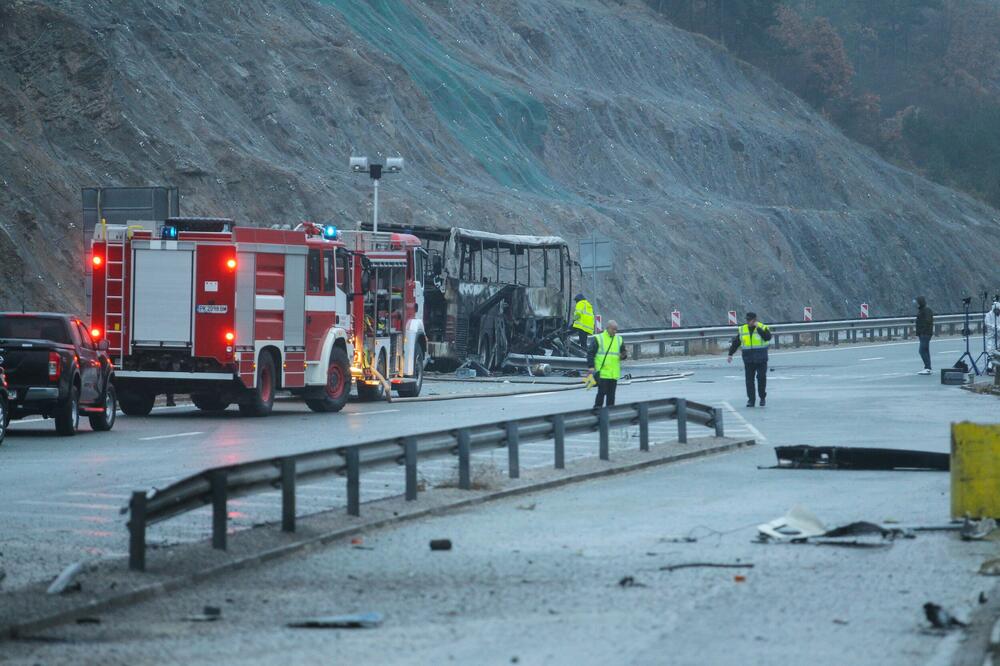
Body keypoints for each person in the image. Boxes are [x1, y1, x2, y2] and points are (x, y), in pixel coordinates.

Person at [727, 312, 772, 407]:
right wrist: (730, 354)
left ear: (755, 320)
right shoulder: (743, 329)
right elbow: (736, 343)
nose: (748, 322)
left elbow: (767, 337)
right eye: (747, 320)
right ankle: (751, 400)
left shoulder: (762, 327)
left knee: (761, 378)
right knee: (749, 380)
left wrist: (758, 328)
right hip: (748, 359)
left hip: (761, 358)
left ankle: (762, 397)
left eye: (750, 320)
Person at [588, 319, 627, 408]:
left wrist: (623, 356)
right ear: (608, 328)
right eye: (613, 329)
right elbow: (590, 353)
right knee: (601, 395)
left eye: (616, 329)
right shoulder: (599, 338)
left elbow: (623, 352)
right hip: (602, 373)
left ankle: (610, 415)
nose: (615, 331)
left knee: (611, 397)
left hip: (613, 374)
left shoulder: (619, 339)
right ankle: (597, 413)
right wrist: (591, 367)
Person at [916, 296, 934, 375]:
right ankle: (928, 367)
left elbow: (928, 321)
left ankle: (927, 367)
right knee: (925, 350)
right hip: (923, 333)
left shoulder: (926, 310)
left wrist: (922, 331)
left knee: (922, 350)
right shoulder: (922, 310)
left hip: (925, 333)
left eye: (917, 302)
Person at [985, 301, 1000, 372]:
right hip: (992, 336)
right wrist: (996, 327)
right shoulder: (988, 315)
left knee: (998, 351)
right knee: (991, 351)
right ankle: (990, 366)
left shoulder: (999, 315)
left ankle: (997, 367)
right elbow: (988, 324)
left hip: (999, 336)